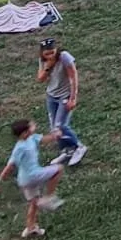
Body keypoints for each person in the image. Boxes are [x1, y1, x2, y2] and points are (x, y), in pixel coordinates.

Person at [0, 118, 64, 237]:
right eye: (31, 126)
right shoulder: (20, 148)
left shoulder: (32, 138)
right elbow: (10, 166)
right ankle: (49, 197)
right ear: (25, 133)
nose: (34, 125)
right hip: (33, 175)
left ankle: (30, 228)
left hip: (24, 180)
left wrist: (56, 135)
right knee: (59, 169)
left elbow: (45, 139)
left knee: (34, 203)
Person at [37, 38, 86, 166]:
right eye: (46, 54)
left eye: (52, 52)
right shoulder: (43, 61)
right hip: (51, 96)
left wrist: (73, 98)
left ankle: (79, 147)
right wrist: (47, 67)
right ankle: (67, 150)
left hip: (65, 95)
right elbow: (40, 79)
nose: (50, 55)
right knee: (54, 128)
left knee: (61, 125)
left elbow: (73, 77)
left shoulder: (65, 57)